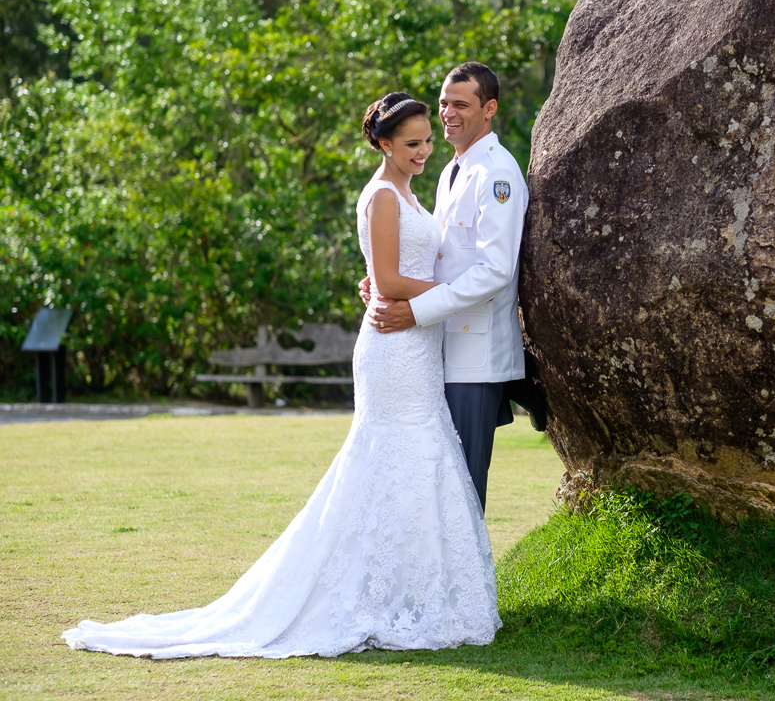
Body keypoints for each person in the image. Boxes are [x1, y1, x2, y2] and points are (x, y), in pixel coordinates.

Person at [62, 93, 502, 658]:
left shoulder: (413, 195)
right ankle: (370, 596)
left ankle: (409, 593)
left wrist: (401, 286)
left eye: (426, 141)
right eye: (412, 143)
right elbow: (391, 281)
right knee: (393, 459)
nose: (423, 151)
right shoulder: (383, 198)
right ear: (384, 143)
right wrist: (448, 296)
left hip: (416, 344)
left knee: (422, 461)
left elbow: (392, 273)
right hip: (394, 349)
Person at [362, 63, 529, 513]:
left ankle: (471, 586)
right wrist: (384, 281)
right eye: (443, 103)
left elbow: (494, 272)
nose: (448, 113)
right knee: (437, 487)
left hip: (475, 357)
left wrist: (414, 309)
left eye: (461, 104)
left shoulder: (497, 173)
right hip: (436, 351)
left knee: (463, 491)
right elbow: (440, 256)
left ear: (489, 108)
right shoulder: (450, 171)